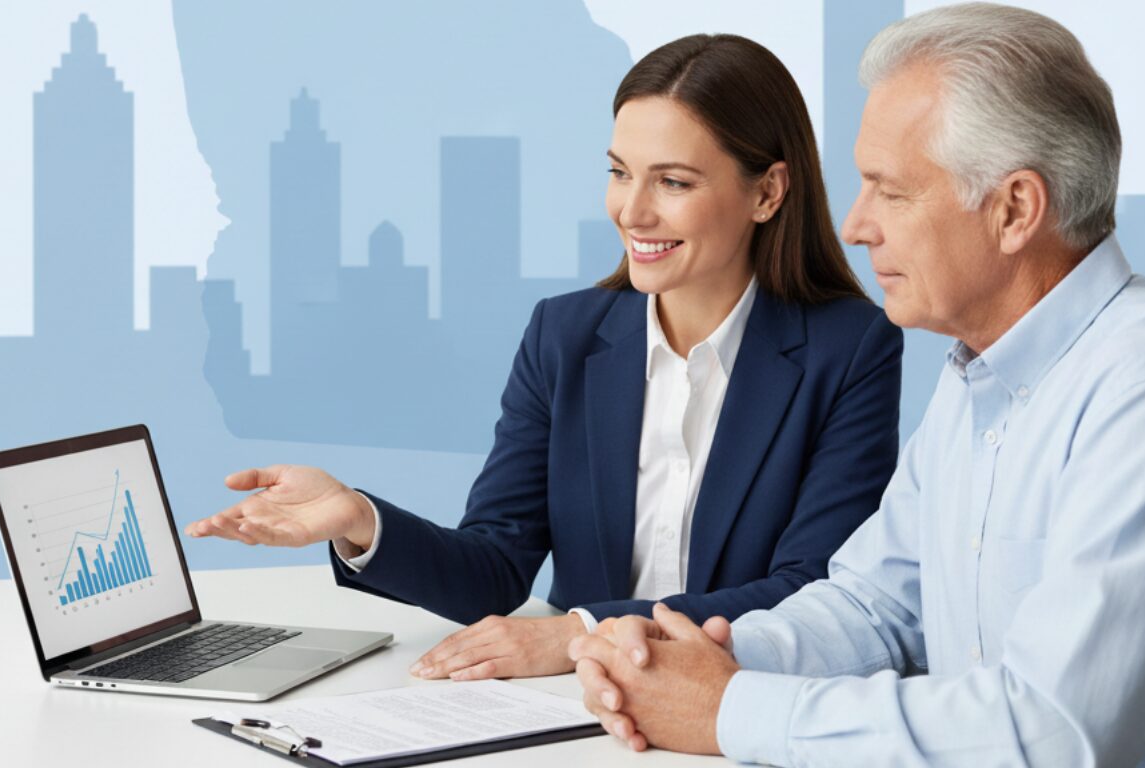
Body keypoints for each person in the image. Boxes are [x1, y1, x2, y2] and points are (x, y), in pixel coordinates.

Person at [570, 4, 1145, 765]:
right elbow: (875, 607)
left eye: (891, 191)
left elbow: (1050, 733)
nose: (856, 225)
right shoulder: (979, 380)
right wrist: (690, 657)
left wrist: (728, 707)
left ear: (1014, 209)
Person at [185, 34, 903, 682]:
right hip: (573, 706)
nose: (632, 211)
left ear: (767, 192)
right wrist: (358, 519)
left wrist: (580, 631)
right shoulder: (564, 335)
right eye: (620, 172)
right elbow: (496, 567)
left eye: (674, 182)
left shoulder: (850, 349)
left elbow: (813, 592)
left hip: (736, 707)